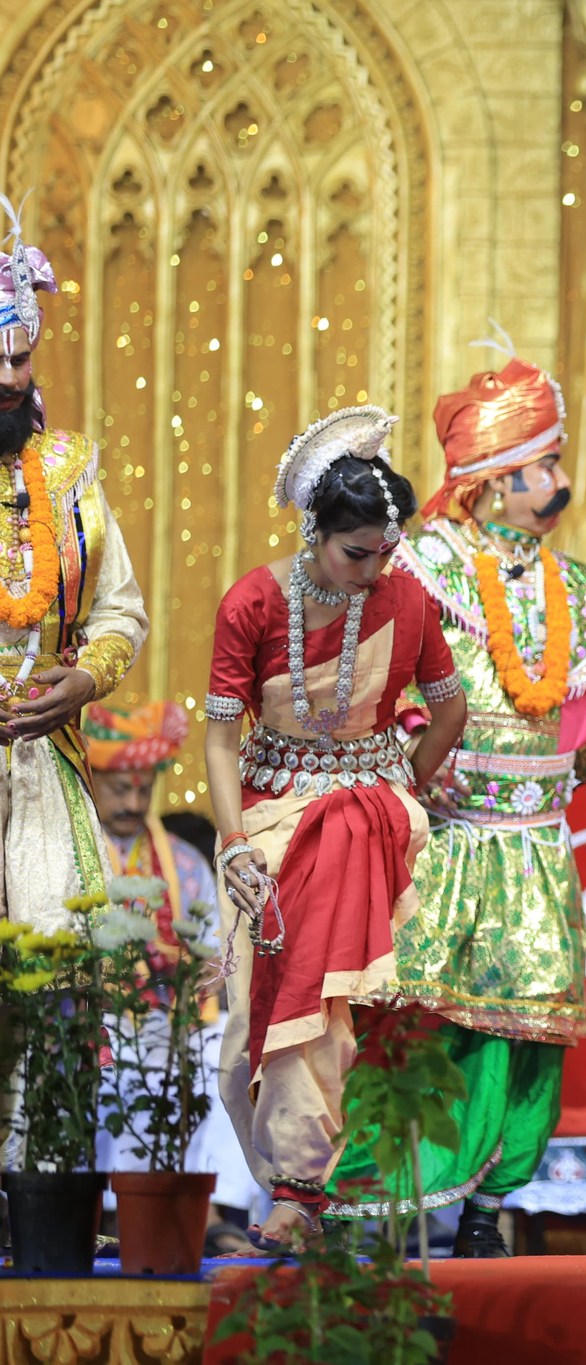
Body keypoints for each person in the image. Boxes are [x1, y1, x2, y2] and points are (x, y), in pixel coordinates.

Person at [325, 346, 586, 1256]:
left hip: (539, 847)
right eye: (541, 466)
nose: (558, 482)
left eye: (555, 463)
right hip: (445, 842)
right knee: (421, 1023)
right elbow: (379, 682)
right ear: (490, 481)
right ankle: (367, 1209)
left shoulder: (583, 591)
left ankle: (486, 1211)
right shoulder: (423, 567)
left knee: (527, 1036)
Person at [203, 407, 467, 1252]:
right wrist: (235, 844)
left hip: (368, 819)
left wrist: (401, 792)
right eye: (357, 552)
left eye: (387, 551)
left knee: (351, 1002)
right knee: (258, 1009)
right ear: (313, 530)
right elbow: (219, 739)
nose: (374, 570)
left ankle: (313, 1191)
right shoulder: (253, 601)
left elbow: (450, 709)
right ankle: (295, 1183)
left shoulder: (407, 598)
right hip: (265, 821)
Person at [0, 195, 147, 929]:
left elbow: (121, 611)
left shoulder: (69, 472)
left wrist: (86, 679)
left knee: (50, 971)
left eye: (19, 358)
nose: (7, 377)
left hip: (43, 758)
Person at [86, 701, 262, 1249]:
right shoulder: (75, 852)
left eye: (143, 790)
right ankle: (107, 1212)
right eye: (120, 789)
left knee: (229, 1050)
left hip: (172, 1015)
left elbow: (218, 950)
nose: (134, 803)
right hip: (94, 1015)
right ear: (92, 782)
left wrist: (196, 982)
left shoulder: (184, 861)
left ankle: (215, 1211)